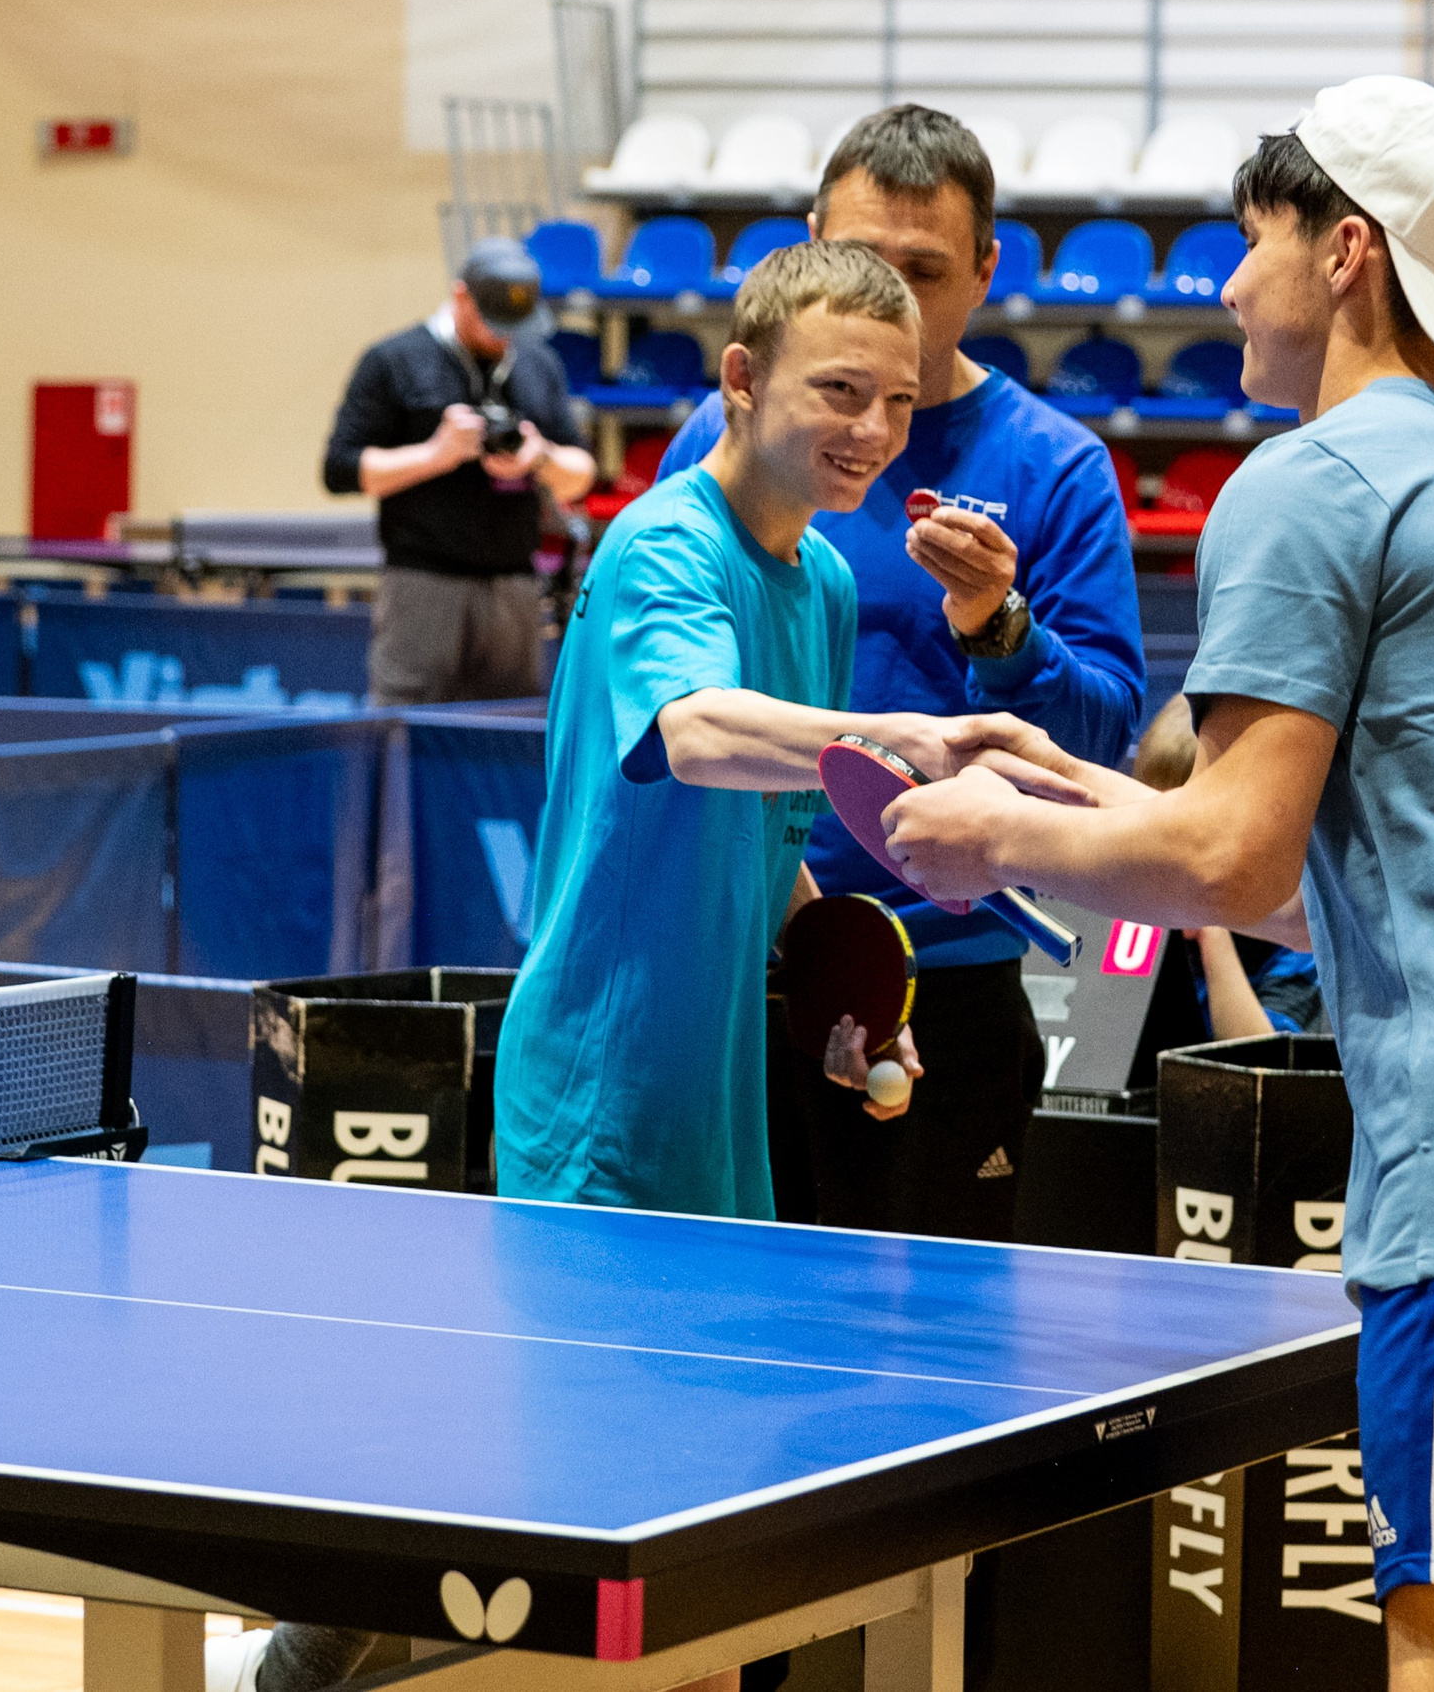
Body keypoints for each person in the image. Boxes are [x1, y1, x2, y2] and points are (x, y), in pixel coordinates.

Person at [880, 78, 1434, 1692]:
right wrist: (1076, 788)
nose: (1226, 284)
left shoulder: (1307, 480)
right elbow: (1341, 884)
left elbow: (1232, 854)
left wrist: (985, 835)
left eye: (1252, 241)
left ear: (1346, 250)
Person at [213, 242, 1081, 1692]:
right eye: (838, 390)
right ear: (741, 382)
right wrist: (903, 741)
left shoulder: (818, 589)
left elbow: (776, 837)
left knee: (662, 1489)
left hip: (714, 1102)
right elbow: (688, 728)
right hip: (603, 1082)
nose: (872, 426)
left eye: (896, 399)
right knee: (584, 1493)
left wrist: (848, 980)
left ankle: (303, 1659)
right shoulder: (661, 545)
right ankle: (299, 1658)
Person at [657, 104, 1146, 1240]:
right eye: (860, 261)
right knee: (720, 1341)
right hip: (746, 966)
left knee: (924, 1361)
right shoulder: (718, 448)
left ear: (983, 273)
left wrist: (997, 625)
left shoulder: (1053, 466)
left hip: (950, 974)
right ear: (806, 250)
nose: (887, 299)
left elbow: (1104, 737)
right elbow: (683, 712)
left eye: (922, 271)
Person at [323, 234, 599, 704]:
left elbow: (582, 471)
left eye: (513, 323)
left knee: (503, 740)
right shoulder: (394, 360)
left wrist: (540, 458)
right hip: (423, 586)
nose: (502, 334)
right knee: (406, 734)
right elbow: (341, 470)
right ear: (460, 297)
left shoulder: (538, 364)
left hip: (513, 587)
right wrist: (437, 454)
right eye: (492, 321)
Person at [1132, 692, 1323, 1040]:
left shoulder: (1295, 936)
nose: (1166, 857)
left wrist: (1210, 928)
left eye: (1184, 838)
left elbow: (1265, 1065)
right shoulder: (1134, 911)